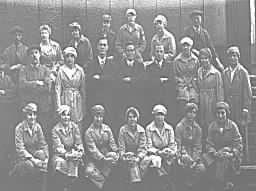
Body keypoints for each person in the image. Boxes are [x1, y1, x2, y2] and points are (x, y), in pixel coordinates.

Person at [204, 102, 243, 191]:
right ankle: (217, 185)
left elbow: (238, 143)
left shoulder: (233, 126)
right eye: (218, 113)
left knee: (225, 162)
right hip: (216, 154)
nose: (220, 116)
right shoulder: (212, 126)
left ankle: (224, 185)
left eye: (223, 113)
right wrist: (215, 153)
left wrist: (232, 153)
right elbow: (208, 143)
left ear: (227, 113)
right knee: (208, 161)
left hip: (229, 155)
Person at [222, 46, 252, 159]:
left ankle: (244, 156)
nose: (233, 58)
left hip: (240, 108)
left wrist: (246, 108)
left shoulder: (243, 72)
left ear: (238, 57)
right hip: (230, 108)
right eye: (231, 56)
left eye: (235, 56)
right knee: (231, 131)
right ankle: (232, 156)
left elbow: (247, 92)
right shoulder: (225, 72)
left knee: (241, 132)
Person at [12, 102, 48, 191]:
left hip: (34, 153)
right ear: (25, 115)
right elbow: (20, 149)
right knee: (30, 165)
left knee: (42, 155)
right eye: (30, 115)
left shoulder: (38, 127)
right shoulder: (19, 128)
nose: (32, 117)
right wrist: (34, 160)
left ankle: (42, 188)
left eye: (34, 114)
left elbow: (43, 143)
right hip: (22, 158)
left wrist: (46, 158)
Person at [84, 105, 119, 191]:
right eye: (96, 116)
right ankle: (104, 183)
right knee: (88, 171)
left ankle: (104, 180)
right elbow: (93, 150)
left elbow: (112, 144)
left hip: (106, 156)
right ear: (93, 117)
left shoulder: (107, 129)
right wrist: (103, 159)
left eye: (101, 117)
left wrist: (117, 153)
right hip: (93, 160)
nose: (98, 119)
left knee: (114, 156)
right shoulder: (88, 132)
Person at [19, 45, 53, 133]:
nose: (34, 55)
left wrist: (30, 86)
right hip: (29, 105)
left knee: (44, 129)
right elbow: (22, 85)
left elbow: (47, 87)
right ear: (28, 56)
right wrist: (36, 83)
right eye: (31, 53)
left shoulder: (45, 70)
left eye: (36, 53)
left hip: (43, 106)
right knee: (29, 131)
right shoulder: (24, 70)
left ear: (40, 54)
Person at [144, 104, 177, 191]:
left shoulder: (169, 128)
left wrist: (168, 151)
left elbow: (172, 144)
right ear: (154, 116)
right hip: (154, 154)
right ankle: (165, 183)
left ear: (165, 116)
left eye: (162, 114)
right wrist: (158, 152)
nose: (159, 117)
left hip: (167, 153)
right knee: (155, 163)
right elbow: (148, 145)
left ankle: (166, 184)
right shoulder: (149, 128)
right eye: (157, 114)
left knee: (171, 161)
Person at [52, 105, 84, 191]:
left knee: (76, 160)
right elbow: (58, 147)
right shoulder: (55, 129)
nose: (66, 117)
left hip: (73, 153)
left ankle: (71, 186)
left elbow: (79, 143)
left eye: (68, 115)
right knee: (60, 163)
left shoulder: (74, 127)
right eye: (64, 115)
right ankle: (64, 187)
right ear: (60, 116)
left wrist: (79, 151)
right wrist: (67, 155)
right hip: (60, 155)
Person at [175, 103, 206, 191]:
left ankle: (190, 185)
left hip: (194, 154)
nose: (191, 115)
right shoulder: (179, 127)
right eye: (189, 112)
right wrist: (180, 157)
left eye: (194, 113)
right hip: (182, 153)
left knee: (201, 168)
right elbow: (178, 144)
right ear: (185, 113)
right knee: (182, 168)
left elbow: (198, 146)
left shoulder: (198, 128)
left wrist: (195, 160)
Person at [144, 43, 176, 124]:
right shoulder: (149, 67)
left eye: (161, 51)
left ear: (164, 53)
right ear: (154, 53)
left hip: (166, 96)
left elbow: (172, 81)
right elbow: (148, 82)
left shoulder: (170, 66)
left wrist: (157, 80)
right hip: (154, 96)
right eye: (157, 51)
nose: (159, 53)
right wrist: (160, 80)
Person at [87, 37, 116, 126]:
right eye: (100, 45)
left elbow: (113, 80)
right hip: (95, 98)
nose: (102, 47)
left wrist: (100, 78)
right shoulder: (91, 64)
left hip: (108, 99)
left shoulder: (112, 65)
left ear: (107, 47)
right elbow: (89, 81)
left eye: (104, 45)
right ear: (97, 47)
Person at [55, 47, 86, 128]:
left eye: (72, 56)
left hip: (77, 99)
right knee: (66, 120)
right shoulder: (61, 70)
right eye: (67, 56)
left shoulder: (79, 70)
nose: (69, 59)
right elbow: (57, 89)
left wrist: (84, 104)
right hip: (65, 98)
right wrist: (59, 106)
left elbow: (83, 89)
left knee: (77, 121)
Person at [118, 107, 147, 191]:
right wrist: (124, 156)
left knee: (142, 165)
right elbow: (121, 147)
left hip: (138, 157)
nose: (132, 119)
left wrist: (138, 158)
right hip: (127, 157)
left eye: (134, 117)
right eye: (129, 117)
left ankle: (137, 186)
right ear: (126, 119)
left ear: (137, 118)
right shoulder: (122, 130)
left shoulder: (141, 130)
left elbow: (143, 148)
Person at [198, 48, 224, 141]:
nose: (204, 60)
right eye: (202, 58)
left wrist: (219, 106)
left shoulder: (216, 73)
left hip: (211, 101)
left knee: (211, 124)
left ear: (210, 59)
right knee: (202, 123)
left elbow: (220, 90)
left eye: (206, 58)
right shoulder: (199, 71)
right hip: (201, 101)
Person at [173, 37, 199, 119]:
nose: (185, 48)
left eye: (187, 46)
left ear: (191, 47)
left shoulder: (195, 60)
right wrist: (180, 82)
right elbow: (175, 75)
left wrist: (193, 82)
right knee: (182, 107)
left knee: (194, 106)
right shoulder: (177, 61)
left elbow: (197, 73)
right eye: (184, 46)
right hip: (182, 87)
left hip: (193, 86)